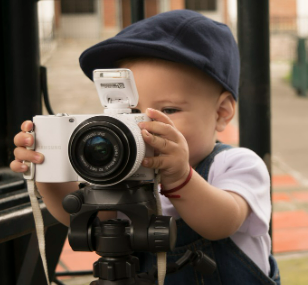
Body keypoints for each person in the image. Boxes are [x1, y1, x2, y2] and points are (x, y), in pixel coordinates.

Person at [10, 10, 280, 285]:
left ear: (221, 113)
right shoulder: (127, 172)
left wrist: (180, 179)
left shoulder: (237, 164)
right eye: (130, 112)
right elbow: (85, 219)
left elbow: (222, 223)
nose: (145, 126)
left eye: (169, 110)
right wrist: (45, 172)